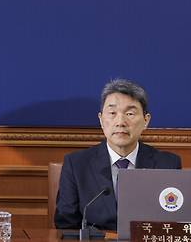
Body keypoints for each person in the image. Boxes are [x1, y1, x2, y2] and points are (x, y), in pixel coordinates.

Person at [55, 78, 181, 231]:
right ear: (101, 120)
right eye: (112, 113)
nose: (120, 121)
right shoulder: (76, 164)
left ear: (146, 121)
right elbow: (66, 225)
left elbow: (175, 223)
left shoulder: (168, 165)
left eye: (130, 113)